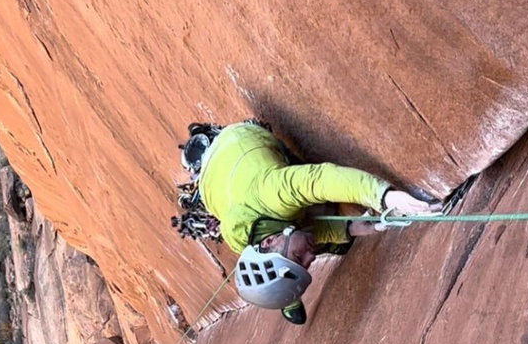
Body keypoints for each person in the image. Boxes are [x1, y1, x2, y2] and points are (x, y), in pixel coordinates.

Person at [188, 120, 440, 325]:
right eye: (304, 265)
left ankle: (288, 295)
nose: (311, 260)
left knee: (312, 208)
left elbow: (322, 180)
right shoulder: (240, 241)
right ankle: (288, 298)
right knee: (299, 244)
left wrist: (384, 196)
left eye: (300, 259)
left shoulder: (272, 191)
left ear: (269, 241)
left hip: (243, 138)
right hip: (212, 183)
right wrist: (356, 227)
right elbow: (297, 238)